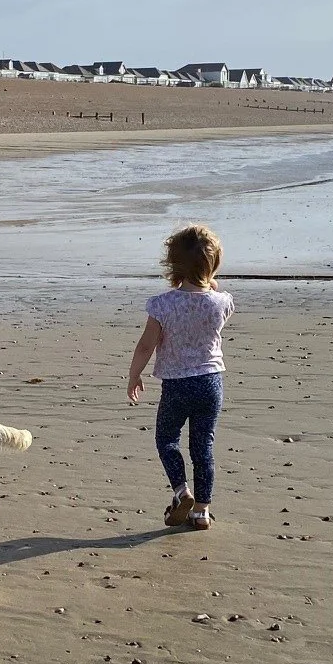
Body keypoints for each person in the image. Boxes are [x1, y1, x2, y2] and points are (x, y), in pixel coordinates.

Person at [127, 223, 234, 531]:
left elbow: (146, 345)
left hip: (176, 385)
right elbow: (212, 296)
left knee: (166, 440)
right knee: (203, 447)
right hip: (210, 382)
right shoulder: (221, 303)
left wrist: (134, 374)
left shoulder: (162, 305)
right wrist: (210, 282)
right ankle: (202, 511)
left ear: (173, 265)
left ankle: (181, 490)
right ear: (214, 265)